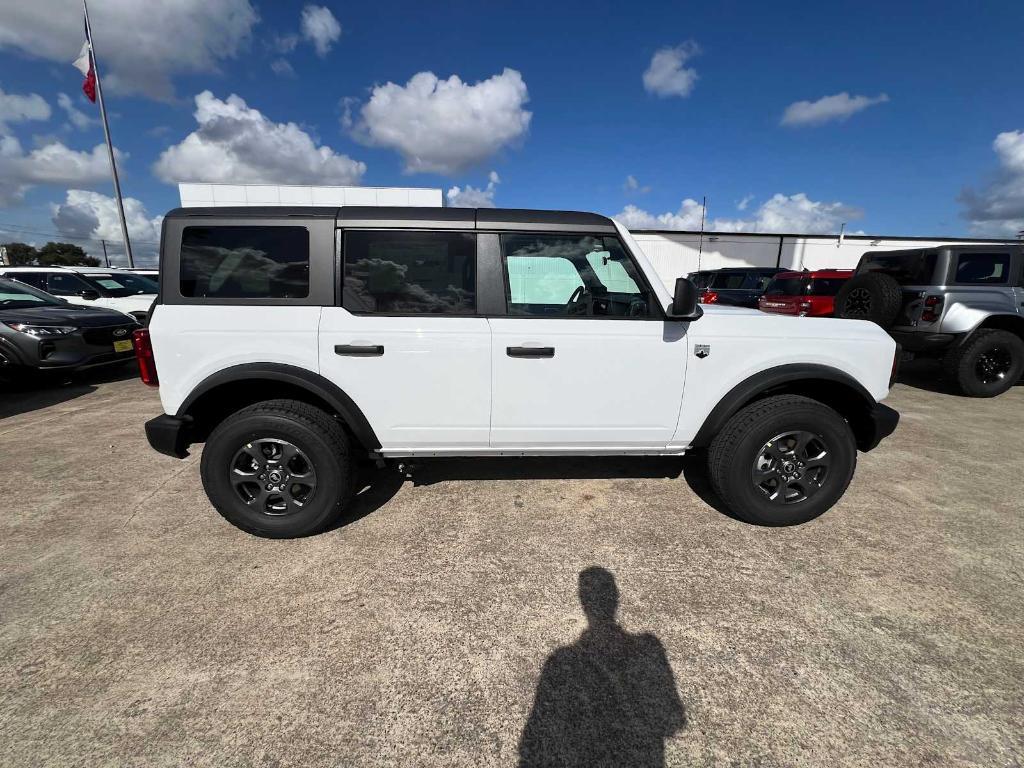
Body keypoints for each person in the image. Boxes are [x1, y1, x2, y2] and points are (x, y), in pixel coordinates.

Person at [518, 566, 686, 767]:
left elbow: (534, 742)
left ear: (583, 603)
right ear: (615, 598)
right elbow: (673, 720)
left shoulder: (562, 663)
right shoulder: (650, 650)